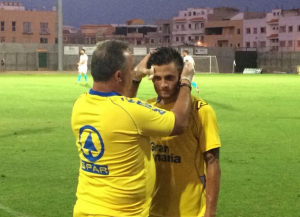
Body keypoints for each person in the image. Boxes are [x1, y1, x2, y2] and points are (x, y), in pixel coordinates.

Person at [71, 40, 195, 217]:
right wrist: (185, 81)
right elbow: (179, 122)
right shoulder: (133, 112)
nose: (134, 72)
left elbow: (118, 108)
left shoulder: (80, 105)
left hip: (84, 208)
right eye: (131, 69)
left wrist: (135, 77)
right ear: (119, 76)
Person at [147, 47, 221, 217]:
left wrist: (210, 212)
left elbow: (213, 162)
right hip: (152, 208)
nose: (163, 85)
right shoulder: (147, 109)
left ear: (181, 77)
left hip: (191, 210)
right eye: (157, 78)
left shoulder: (201, 111)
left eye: (170, 78)